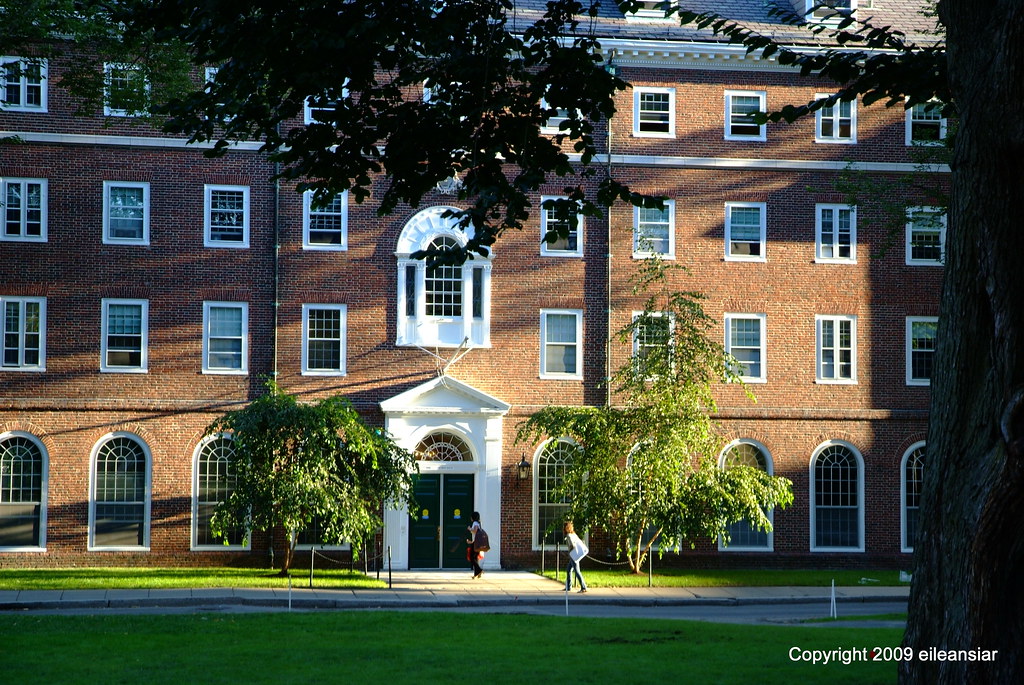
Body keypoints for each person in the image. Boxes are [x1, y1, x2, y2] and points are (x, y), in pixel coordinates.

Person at [564, 521, 588, 593]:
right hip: (576, 554)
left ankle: (583, 587)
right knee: (568, 570)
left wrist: (569, 551)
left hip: (573, 555)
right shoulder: (573, 534)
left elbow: (572, 545)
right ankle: (568, 586)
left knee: (577, 571)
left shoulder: (568, 535)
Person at [467, 511, 484, 579]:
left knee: (471, 557)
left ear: (473, 517)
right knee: (475, 557)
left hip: (476, 543)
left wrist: (469, 529)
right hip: (477, 542)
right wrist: (471, 542)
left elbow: (475, 531)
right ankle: (476, 573)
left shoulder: (475, 523)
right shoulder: (478, 523)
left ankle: (479, 570)